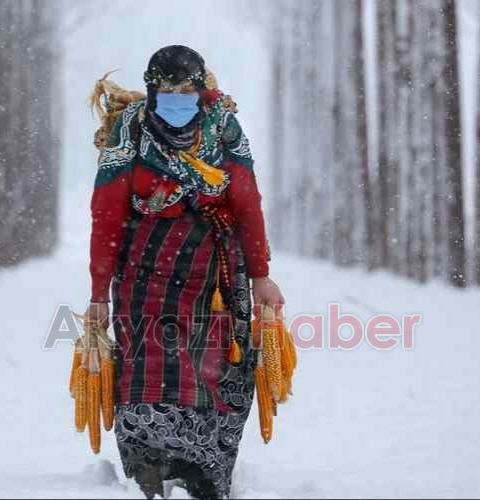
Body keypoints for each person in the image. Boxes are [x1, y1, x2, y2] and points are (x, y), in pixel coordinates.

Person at [86, 45, 285, 499]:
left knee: (214, 364)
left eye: (186, 92)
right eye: (167, 92)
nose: (177, 101)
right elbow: (107, 214)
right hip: (143, 265)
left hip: (214, 269)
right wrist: (99, 293)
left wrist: (260, 275)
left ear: (200, 90)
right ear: (152, 91)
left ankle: (204, 471)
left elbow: (247, 203)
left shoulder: (224, 127)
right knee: (145, 362)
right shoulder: (128, 131)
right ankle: (147, 467)